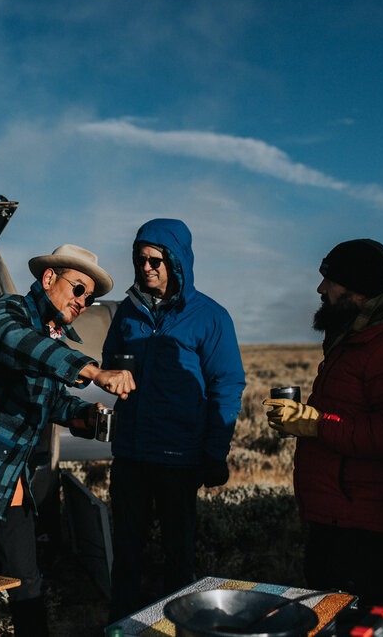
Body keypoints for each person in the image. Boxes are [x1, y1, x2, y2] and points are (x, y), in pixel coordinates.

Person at [0, 244, 135, 637]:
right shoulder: (7, 313)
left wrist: (83, 416)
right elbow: (20, 344)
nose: (84, 302)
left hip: (9, 486)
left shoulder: (52, 338)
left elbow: (49, 399)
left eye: (91, 297)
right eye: (78, 289)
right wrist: (92, 370)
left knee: (29, 586)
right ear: (49, 278)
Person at [264, 239, 383, 612]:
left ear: (356, 287)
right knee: (329, 619)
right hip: (339, 517)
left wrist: (315, 424)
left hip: (370, 529)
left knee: (363, 624)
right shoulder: (355, 336)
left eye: (328, 280)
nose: (320, 289)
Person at [102, 218, 246, 621]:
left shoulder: (210, 317)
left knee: (177, 554)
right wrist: (119, 368)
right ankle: (125, 624)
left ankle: (177, 626)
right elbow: (111, 358)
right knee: (126, 551)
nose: (146, 267)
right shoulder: (128, 313)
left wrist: (215, 453)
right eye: (140, 259)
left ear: (177, 263)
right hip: (131, 452)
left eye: (155, 261)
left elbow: (227, 384)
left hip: (178, 458)